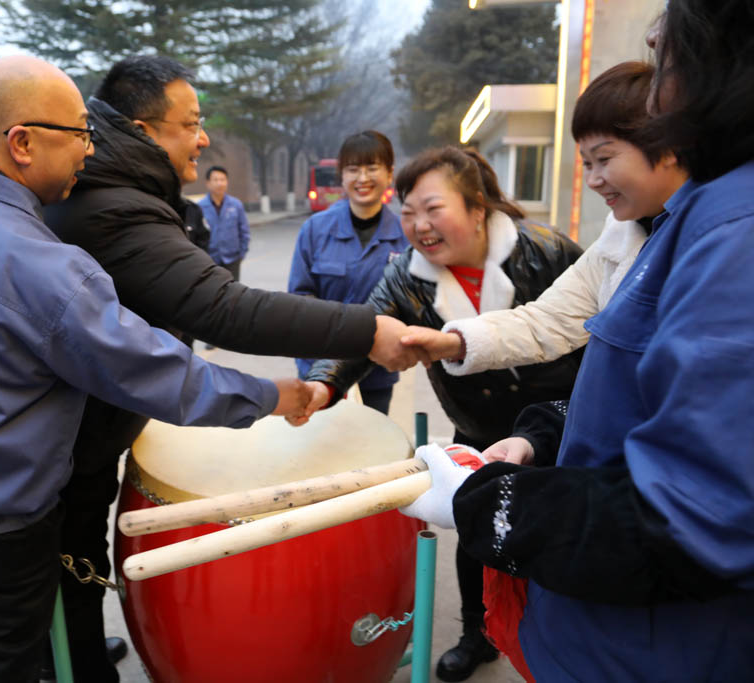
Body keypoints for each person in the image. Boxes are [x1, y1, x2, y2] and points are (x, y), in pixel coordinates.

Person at [0, 55, 312, 683]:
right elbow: (159, 375)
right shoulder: (44, 267)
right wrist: (271, 395)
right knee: (1, 661)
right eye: (80, 132)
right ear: (22, 142)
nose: (90, 148)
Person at [41, 55, 423, 683]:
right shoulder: (113, 206)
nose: (204, 138)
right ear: (142, 130)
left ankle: (79, 648)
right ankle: (73, 662)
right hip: (61, 443)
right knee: (59, 566)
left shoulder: (113, 189)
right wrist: (367, 331)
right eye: (191, 123)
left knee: (77, 555)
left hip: (83, 432)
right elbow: (223, 308)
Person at [404, 1, 754, 679]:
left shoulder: (724, 231)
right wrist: (540, 432)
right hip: (591, 583)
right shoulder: (653, 231)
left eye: (604, 159)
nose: (592, 179)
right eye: (408, 210)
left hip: (658, 636)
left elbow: (696, 507)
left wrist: (486, 502)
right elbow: (595, 369)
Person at [297, 147, 584, 682]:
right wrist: (322, 383)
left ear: (477, 209)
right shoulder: (405, 276)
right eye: (408, 212)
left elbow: (598, 325)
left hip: (564, 423)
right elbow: (365, 331)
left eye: (433, 208)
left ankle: (562, 643)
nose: (419, 226)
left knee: (559, 534)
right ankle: (478, 633)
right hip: (478, 425)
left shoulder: (545, 250)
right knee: (476, 532)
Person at [401, 61, 688, 466]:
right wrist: (454, 343)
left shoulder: (545, 246)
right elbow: (548, 320)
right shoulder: (620, 239)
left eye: (604, 159)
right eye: (586, 163)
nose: (593, 179)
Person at [288, 131, 408, 415]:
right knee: (320, 439)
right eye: (353, 169)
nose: (362, 178)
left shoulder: (405, 234)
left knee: (371, 440)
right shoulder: (316, 229)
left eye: (372, 168)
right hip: (319, 369)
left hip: (376, 373)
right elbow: (299, 299)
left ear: (389, 173)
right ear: (342, 176)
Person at [198, 166, 249, 281]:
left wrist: (241, 254)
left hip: (232, 260)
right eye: (215, 180)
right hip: (209, 261)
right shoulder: (200, 207)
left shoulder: (236, 205)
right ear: (208, 183)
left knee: (233, 290)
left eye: (222, 179)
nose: (219, 183)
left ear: (227, 182)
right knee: (211, 290)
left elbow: (244, 231)